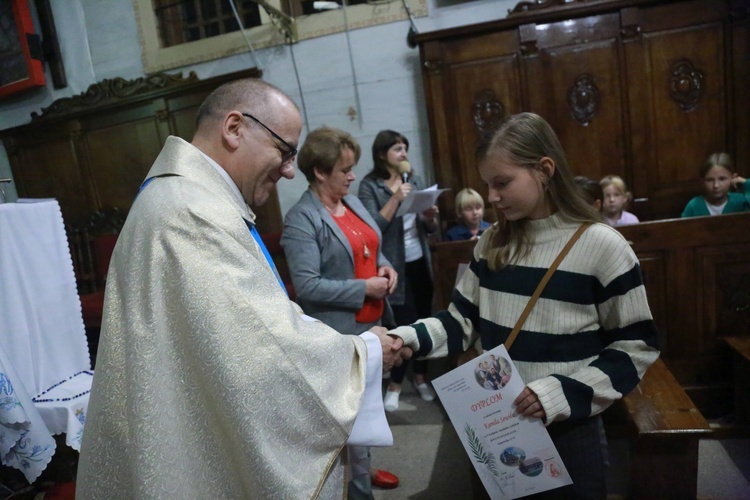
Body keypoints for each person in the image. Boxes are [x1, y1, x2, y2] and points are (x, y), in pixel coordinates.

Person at [76, 78, 408, 499]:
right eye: (284, 150)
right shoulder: (189, 212)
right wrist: (366, 353)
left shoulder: (190, 198)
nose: (290, 169)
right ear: (234, 128)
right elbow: (260, 349)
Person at [387, 112, 660, 499]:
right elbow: (460, 322)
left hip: (569, 427)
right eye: (487, 184)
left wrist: (560, 393)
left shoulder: (602, 246)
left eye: (502, 182)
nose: (492, 196)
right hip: (497, 421)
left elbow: (636, 347)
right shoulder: (493, 242)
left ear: (545, 170)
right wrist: (406, 339)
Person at [280, 126, 400, 496]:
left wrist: (385, 265)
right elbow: (307, 286)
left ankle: (361, 467)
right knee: (347, 416)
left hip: (372, 322)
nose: (352, 176)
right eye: (344, 169)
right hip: (338, 333)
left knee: (367, 408)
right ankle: (356, 485)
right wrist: (364, 288)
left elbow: (370, 241)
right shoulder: (301, 218)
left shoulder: (351, 201)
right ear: (319, 172)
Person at [358, 130, 438, 412]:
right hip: (392, 267)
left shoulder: (413, 179)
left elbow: (429, 230)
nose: (404, 153)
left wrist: (430, 218)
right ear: (382, 155)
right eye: (397, 149)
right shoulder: (370, 186)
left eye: (405, 148)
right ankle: (394, 386)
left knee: (425, 320)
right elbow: (371, 229)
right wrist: (395, 200)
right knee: (401, 326)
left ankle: (420, 377)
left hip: (419, 261)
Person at [681, 152, 749, 217]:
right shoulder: (694, 205)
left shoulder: (740, 202)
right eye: (709, 180)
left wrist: (747, 183)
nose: (716, 185)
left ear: (733, 178)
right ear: (702, 181)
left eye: (722, 179)